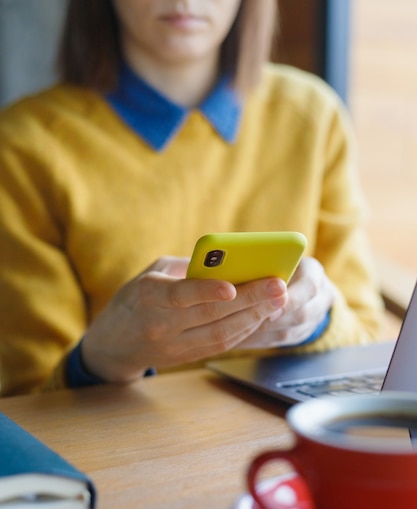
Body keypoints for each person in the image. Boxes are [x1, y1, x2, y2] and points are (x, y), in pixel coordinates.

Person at [0, 0, 384, 397]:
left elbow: (368, 343)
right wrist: (101, 358)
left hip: (279, 435)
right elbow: (25, 400)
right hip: (120, 450)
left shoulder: (313, 116)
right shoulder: (24, 147)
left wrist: (316, 320)